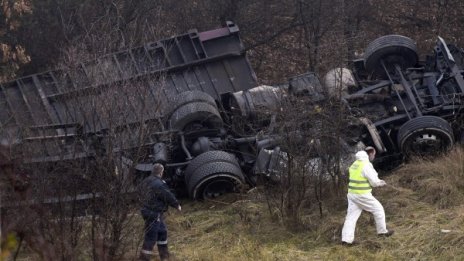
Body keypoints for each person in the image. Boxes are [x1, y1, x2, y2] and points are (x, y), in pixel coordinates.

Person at [341, 146, 394, 245]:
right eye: (374, 154)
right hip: (362, 194)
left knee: (351, 217)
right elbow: (374, 182)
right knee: (378, 209)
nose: (374, 156)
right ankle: (382, 232)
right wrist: (381, 183)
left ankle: (346, 240)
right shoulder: (366, 165)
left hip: (352, 194)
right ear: (370, 154)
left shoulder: (355, 164)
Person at [139, 163, 181, 261]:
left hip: (148, 211)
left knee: (162, 232)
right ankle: (143, 259)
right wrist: (177, 205)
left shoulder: (145, 181)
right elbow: (167, 195)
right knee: (151, 237)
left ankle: (164, 257)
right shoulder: (159, 184)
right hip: (154, 213)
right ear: (161, 172)